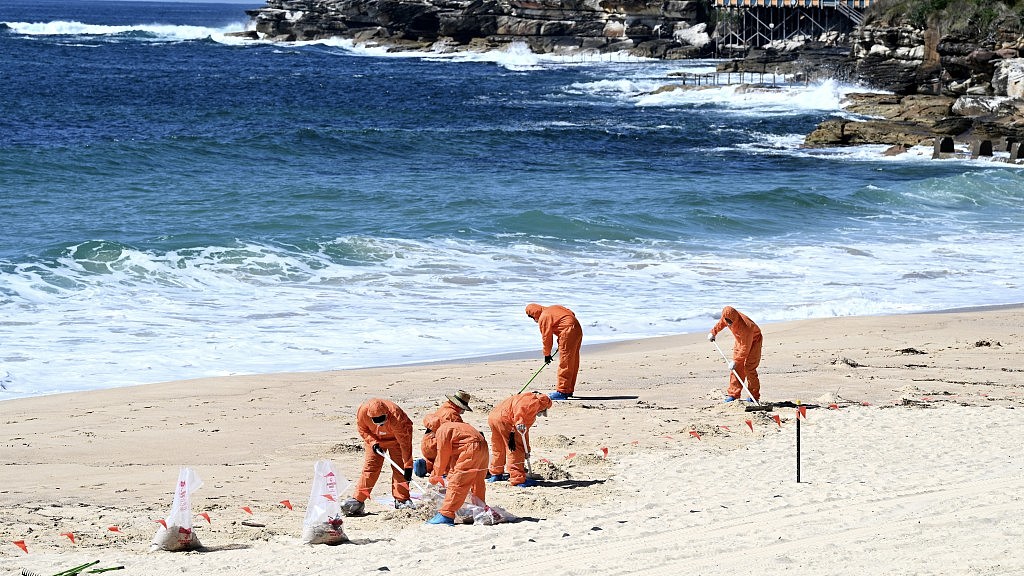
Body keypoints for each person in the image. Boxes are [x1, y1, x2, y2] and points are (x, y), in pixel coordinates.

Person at [340, 398, 415, 516]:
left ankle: (402, 499)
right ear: (370, 417)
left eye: (382, 420)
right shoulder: (363, 412)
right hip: (375, 440)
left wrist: (408, 465)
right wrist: (373, 442)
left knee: (400, 468)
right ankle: (358, 500)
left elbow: (405, 443)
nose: (380, 424)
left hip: (397, 439)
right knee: (370, 469)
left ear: (387, 414)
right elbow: (362, 429)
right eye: (377, 421)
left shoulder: (396, 416)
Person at [425, 420, 489, 525]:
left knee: (458, 482)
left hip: (471, 448)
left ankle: (446, 514)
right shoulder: (456, 427)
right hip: (483, 446)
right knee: (477, 481)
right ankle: (479, 509)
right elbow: (454, 462)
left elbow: (442, 458)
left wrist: (434, 478)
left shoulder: (442, 431)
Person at [486, 391, 552, 487]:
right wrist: (519, 423)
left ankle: (496, 473)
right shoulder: (534, 402)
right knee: (515, 449)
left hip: (493, 418)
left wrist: (527, 449)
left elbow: (525, 432)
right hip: (506, 421)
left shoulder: (524, 396)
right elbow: (521, 415)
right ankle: (518, 479)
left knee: (498, 447)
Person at [525, 303, 583, 400]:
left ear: (534, 314)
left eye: (532, 317)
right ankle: (568, 389)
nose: (534, 320)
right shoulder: (554, 308)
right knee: (573, 361)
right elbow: (571, 314)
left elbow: (546, 338)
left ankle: (562, 391)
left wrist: (547, 355)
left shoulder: (544, 317)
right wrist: (562, 338)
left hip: (568, 331)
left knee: (566, 362)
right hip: (577, 329)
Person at [708, 306, 763, 402]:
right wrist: (713, 332)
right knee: (736, 369)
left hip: (754, 341)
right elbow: (721, 323)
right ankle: (734, 394)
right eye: (727, 320)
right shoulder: (727, 317)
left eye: (730, 321)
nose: (728, 323)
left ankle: (753, 396)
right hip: (740, 340)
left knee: (749, 368)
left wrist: (736, 361)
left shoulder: (746, 327)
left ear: (735, 318)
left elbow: (745, 348)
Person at [414, 390, 472, 478]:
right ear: (459, 406)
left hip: (426, 442)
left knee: (433, 460)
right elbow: (460, 431)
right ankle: (445, 471)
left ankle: (425, 465)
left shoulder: (443, 408)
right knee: (449, 459)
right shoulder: (452, 415)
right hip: (436, 445)